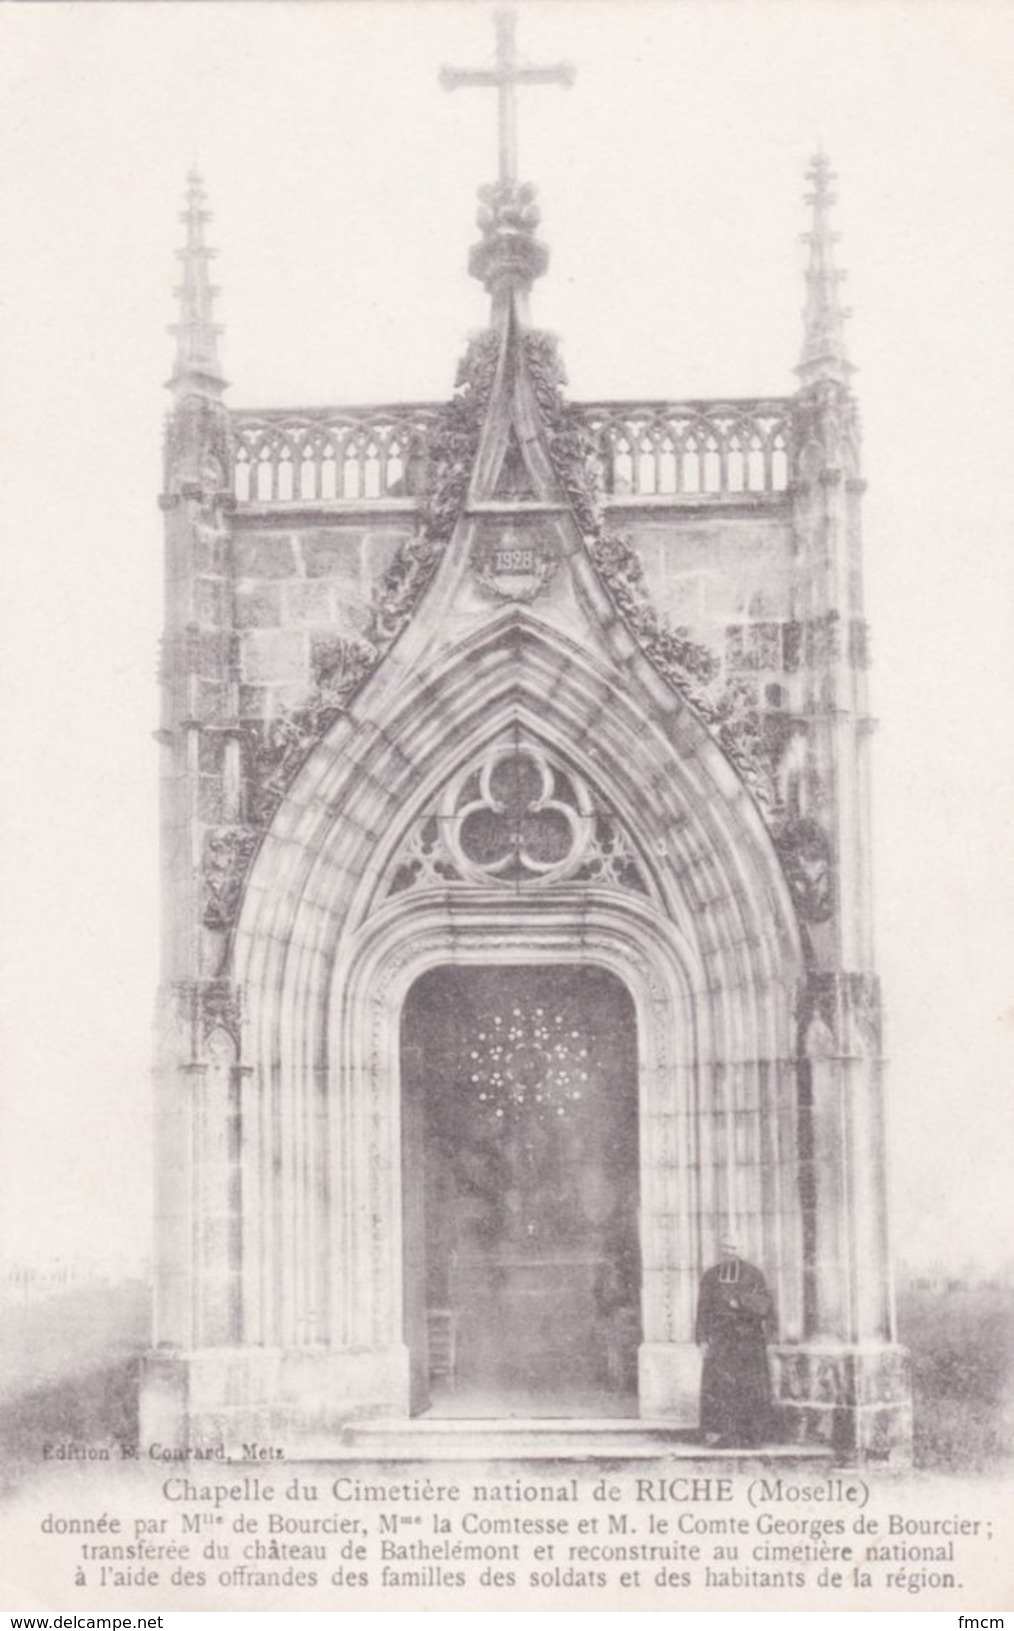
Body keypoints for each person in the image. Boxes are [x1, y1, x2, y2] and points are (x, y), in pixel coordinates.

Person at [695, 1236, 774, 1447]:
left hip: (749, 1341)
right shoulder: (711, 1276)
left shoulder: (754, 1275)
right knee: (720, 1387)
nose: (729, 1252)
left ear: (740, 1250)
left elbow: (765, 1306)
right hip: (721, 1341)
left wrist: (740, 1302)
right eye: (725, 1248)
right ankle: (720, 1435)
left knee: (750, 1387)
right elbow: (702, 1310)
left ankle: (751, 1436)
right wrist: (702, 1339)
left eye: (733, 1248)